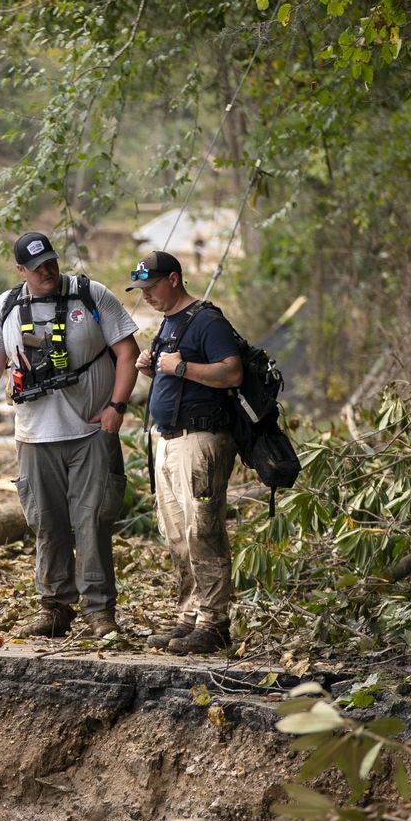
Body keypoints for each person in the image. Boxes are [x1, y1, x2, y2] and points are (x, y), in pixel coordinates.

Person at [0, 232, 139, 638]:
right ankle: (55, 607)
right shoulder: (6, 306)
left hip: (91, 429)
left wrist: (116, 406)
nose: (46, 271)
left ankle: (99, 611)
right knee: (46, 522)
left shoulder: (90, 295)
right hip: (34, 434)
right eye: (36, 266)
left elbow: (128, 353)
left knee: (93, 521)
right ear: (20, 270)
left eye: (51, 262)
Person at [128, 251, 243, 655]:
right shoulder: (170, 323)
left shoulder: (208, 320)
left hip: (201, 438)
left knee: (203, 530)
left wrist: (180, 368)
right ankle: (189, 617)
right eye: (141, 289)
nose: (146, 295)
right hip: (169, 439)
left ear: (174, 279)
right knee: (177, 533)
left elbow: (232, 372)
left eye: (151, 287)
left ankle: (214, 623)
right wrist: (152, 367)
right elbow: (176, 375)